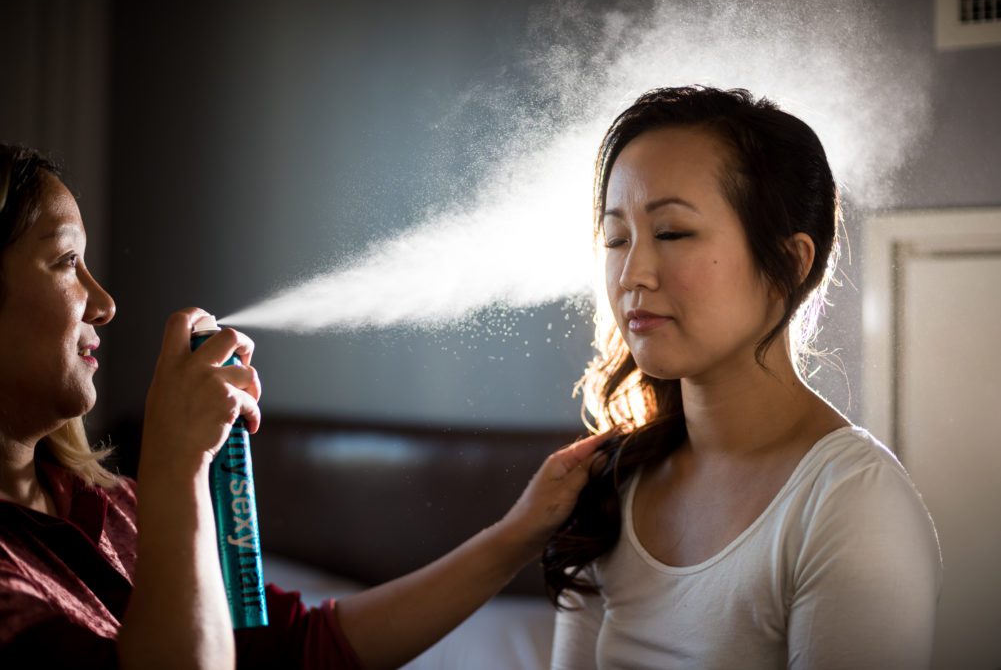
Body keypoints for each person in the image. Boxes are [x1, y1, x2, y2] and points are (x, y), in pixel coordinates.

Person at [0, 142, 610, 670]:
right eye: (66, 261)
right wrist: (175, 466)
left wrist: (520, 534)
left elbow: (300, 649)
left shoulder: (111, 509)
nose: (102, 303)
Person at [543, 87, 942, 669]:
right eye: (616, 238)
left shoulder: (850, 504)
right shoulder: (613, 485)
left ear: (789, 263)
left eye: (672, 233)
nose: (632, 273)